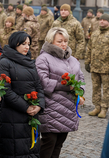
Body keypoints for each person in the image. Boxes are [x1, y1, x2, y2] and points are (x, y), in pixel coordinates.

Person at [35, 27, 85, 158]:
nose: (63, 44)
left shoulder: (72, 59)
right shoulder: (43, 59)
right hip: (51, 107)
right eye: (60, 41)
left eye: (65, 41)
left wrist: (80, 92)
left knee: (59, 144)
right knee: (48, 142)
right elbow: (43, 82)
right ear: (51, 41)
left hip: (68, 109)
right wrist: (65, 87)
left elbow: (81, 78)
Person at [0, 31, 45, 157]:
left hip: (32, 116)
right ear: (15, 44)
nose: (27, 47)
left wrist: (39, 105)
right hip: (13, 116)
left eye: (28, 44)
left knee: (31, 150)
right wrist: (26, 107)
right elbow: (5, 90)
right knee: (14, 151)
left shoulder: (30, 62)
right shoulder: (5, 62)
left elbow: (39, 86)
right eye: (23, 44)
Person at [85, 14, 109, 118]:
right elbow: (89, 49)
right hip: (95, 66)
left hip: (106, 67)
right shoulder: (95, 34)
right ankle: (97, 107)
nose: (101, 21)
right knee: (95, 88)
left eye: (104, 20)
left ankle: (104, 109)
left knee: (106, 89)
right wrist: (87, 62)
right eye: (100, 20)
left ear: (108, 22)